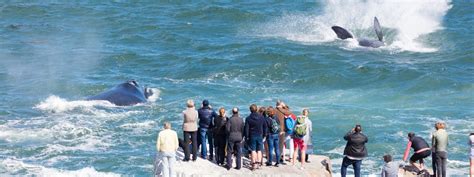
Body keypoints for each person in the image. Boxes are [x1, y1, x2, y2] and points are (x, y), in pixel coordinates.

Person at [244, 104, 267, 170]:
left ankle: (254, 164)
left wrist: (246, 137)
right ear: (256, 109)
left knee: (253, 150)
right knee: (259, 150)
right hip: (260, 135)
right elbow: (265, 127)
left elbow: (246, 129)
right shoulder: (261, 117)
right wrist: (265, 135)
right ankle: (258, 163)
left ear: (250, 110)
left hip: (252, 135)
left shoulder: (248, 118)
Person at [274, 101, 294, 165]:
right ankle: (279, 158)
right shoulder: (282, 111)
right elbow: (289, 112)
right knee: (280, 145)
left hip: (274, 130)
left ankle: (278, 157)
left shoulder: (274, 110)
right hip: (281, 130)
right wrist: (283, 106)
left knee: (276, 145)